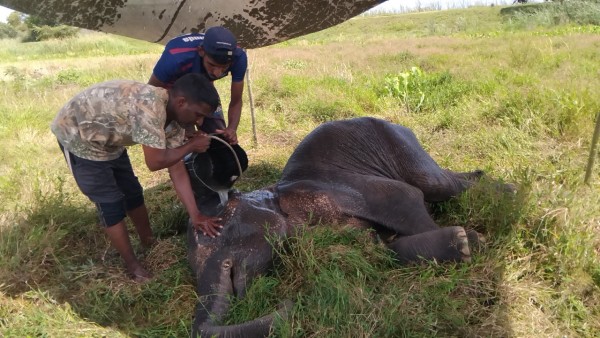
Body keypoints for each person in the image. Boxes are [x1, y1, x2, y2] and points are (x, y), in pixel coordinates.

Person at [51, 73, 224, 282]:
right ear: (181, 102)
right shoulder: (150, 109)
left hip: (111, 139)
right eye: (198, 114)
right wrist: (191, 146)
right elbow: (155, 162)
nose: (199, 122)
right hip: (79, 135)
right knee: (111, 202)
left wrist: (195, 214)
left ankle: (148, 241)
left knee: (132, 192)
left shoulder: (175, 121)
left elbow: (175, 167)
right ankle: (133, 266)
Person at [148, 26, 248, 145]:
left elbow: (236, 100)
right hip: (173, 88)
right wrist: (178, 127)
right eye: (212, 65)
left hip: (203, 84)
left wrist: (232, 128)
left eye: (224, 67)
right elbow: (150, 94)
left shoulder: (239, 58)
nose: (217, 73)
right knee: (179, 140)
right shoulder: (175, 59)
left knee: (219, 137)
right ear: (201, 51)